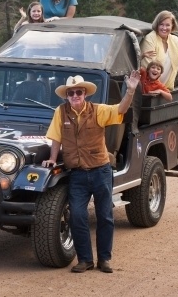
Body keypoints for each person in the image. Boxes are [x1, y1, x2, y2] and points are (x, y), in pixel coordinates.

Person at [41, 71, 140, 274]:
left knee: (105, 216)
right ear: (66, 95)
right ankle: (85, 260)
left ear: (85, 93)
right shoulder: (60, 112)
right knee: (77, 216)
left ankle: (104, 259)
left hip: (100, 171)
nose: (75, 96)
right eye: (71, 93)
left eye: (78, 92)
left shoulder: (98, 110)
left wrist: (130, 91)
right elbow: (56, 138)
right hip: (77, 174)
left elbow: (120, 109)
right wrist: (52, 158)